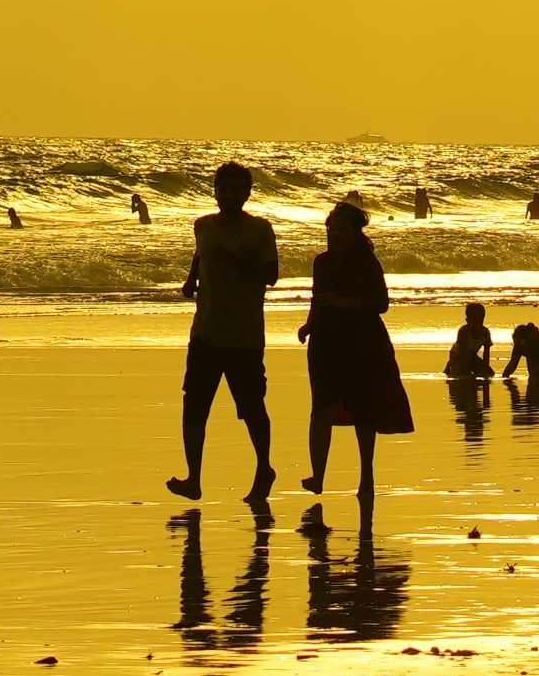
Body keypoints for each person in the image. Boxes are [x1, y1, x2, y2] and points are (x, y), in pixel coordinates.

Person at [294, 196, 415, 521]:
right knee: (321, 406)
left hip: (362, 342)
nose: (335, 235)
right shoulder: (321, 262)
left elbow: (380, 304)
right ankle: (317, 476)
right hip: (327, 341)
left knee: (364, 411)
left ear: (356, 232)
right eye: (331, 229)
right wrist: (309, 324)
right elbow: (318, 298)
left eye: (342, 230)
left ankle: (366, 477)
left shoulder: (367, 263)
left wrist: (342, 301)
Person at [168, 162, 281, 512]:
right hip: (205, 333)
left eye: (236, 190)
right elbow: (202, 253)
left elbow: (271, 275)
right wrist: (191, 279)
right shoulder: (203, 225)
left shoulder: (260, 231)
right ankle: (193, 479)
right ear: (215, 190)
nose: (229, 196)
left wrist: (232, 260)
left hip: (244, 337)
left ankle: (264, 469)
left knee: (251, 407)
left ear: (247, 194)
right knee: (194, 405)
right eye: (224, 189)